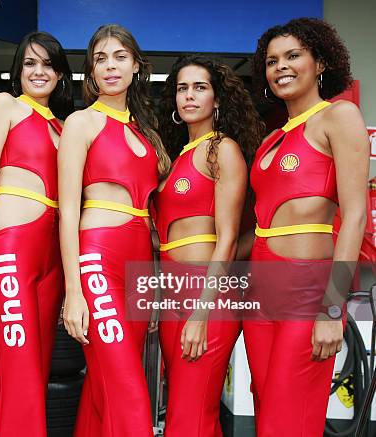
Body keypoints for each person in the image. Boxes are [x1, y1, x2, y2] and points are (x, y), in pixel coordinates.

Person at [244, 17, 369, 436]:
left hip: (306, 291)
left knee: (287, 423)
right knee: (268, 415)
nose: (281, 66)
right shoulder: (269, 139)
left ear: (320, 63)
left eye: (293, 56)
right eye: (272, 60)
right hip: (259, 293)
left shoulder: (339, 116)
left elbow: (354, 216)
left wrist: (333, 307)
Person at [59, 24, 170, 437]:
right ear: (90, 70)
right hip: (98, 259)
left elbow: (155, 221)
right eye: (101, 58)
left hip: (139, 265)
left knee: (103, 389)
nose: (110, 66)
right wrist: (74, 291)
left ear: (136, 65)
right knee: (128, 389)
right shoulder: (81, 123)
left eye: (120, 57)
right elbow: (68, 212)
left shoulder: (149, 133)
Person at [0, 31, 73, 437]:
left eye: (48, 64)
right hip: (11, 246)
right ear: (18, 70)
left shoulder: (65, 127)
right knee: (18, 368)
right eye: (30, 63)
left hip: (51, 257)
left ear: (61, 74)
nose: (39, 71)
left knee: (38, 367)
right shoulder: (5, 106)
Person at [155, 55, 263, 437]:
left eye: (200, 87)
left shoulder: (223, 150)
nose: (189, 96)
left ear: (217, 100)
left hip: (207, 297)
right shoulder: (176, 157)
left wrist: (201, 314)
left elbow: (229, 239)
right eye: (182, 88)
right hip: (172, 295)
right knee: (189, 412)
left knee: (190, 415)